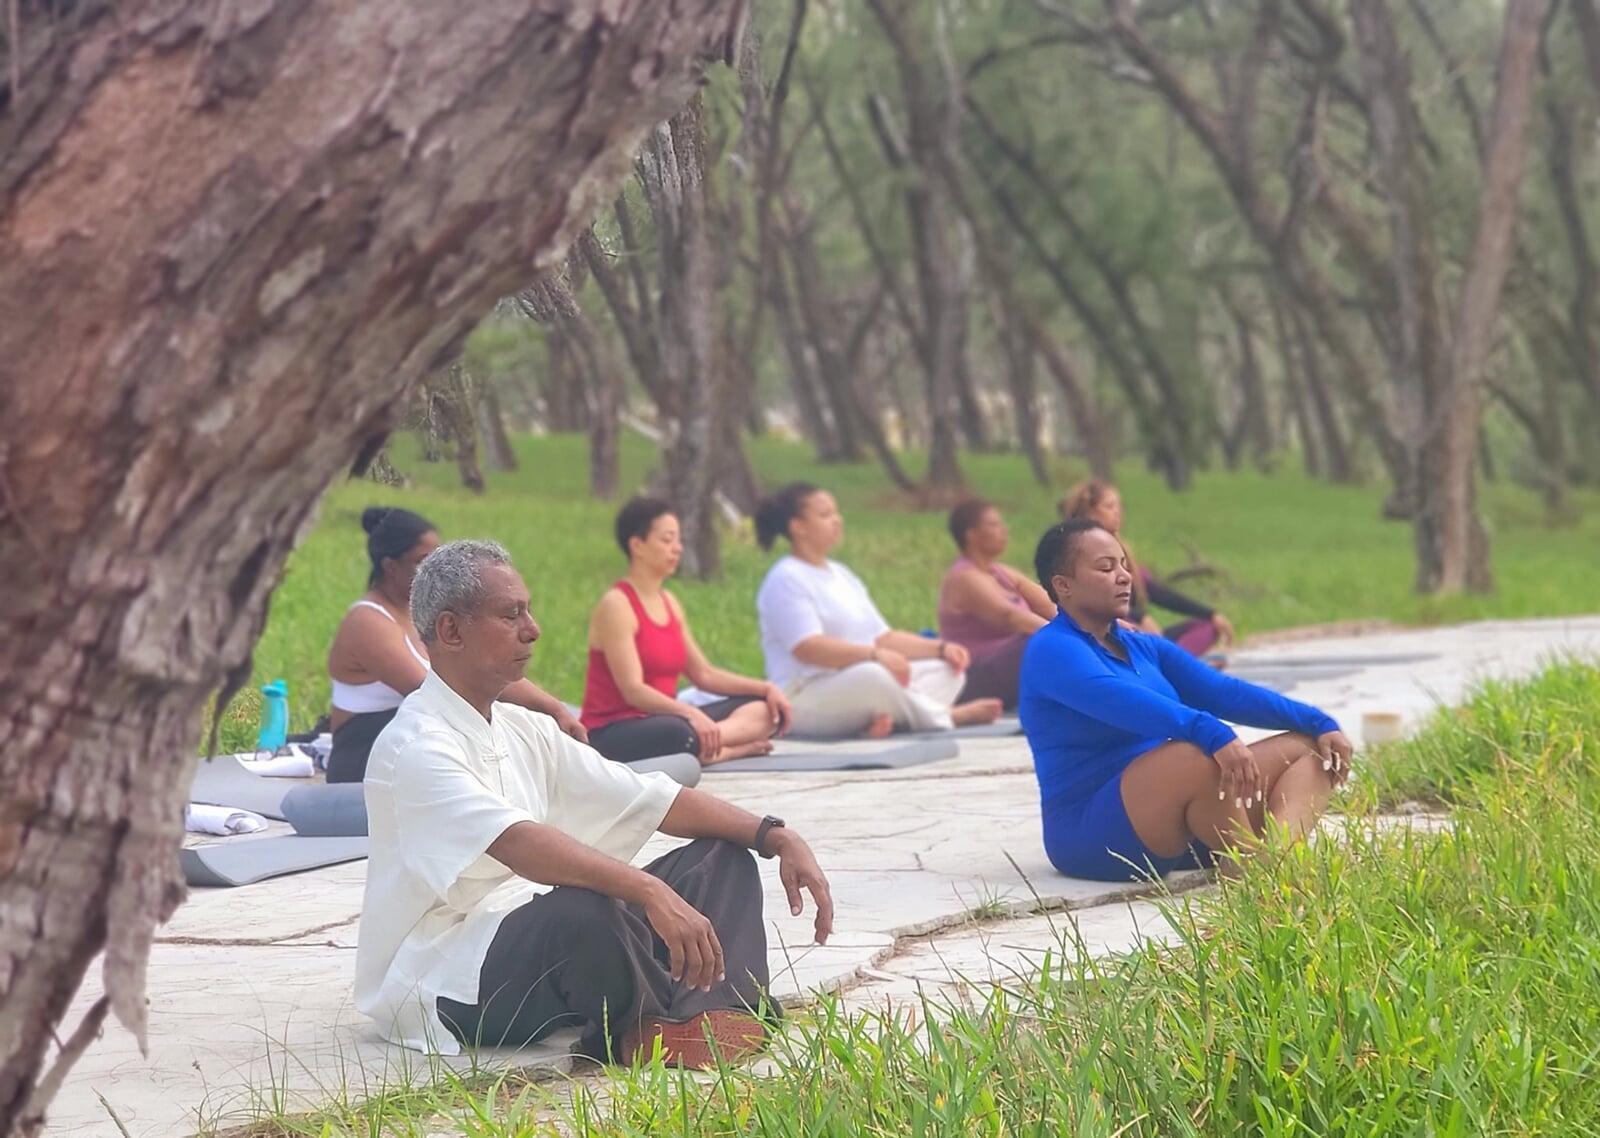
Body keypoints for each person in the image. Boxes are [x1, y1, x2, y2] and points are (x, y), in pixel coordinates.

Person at [354, 540, 834, 1068]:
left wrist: (774, 835)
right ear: (450, 631)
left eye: (527, 611)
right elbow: (524, 846)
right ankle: (649, 1027)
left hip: (535, 928)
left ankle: (711, 1013)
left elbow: (652, 797)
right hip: (447, 972)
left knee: (720, 858)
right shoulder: (415, 747)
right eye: (511, 614)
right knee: (586, 907)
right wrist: (649, 891)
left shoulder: (522, 728)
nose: (533, 628)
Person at [1019, 520, 1352, 882]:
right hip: (1095, 833)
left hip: (1179, 817)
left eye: (1124, 564)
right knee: (1193, 753)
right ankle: (1248, 863)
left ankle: (1277, 861)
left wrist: (1319, 722)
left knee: (1311, 748)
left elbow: (1224, 692)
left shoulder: (1141, 644)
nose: (1124, 576)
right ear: (1063, 585)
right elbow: (1123, 702)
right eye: (1105, 567)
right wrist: (1212, 733)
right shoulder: (1052, 649)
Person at [324, 507, 586, 783]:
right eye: (422, 561)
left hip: (429, 747)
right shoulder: (367, 622)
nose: (432, 570)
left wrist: (554, 709)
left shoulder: (421, 614)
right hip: (368, 759)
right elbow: (441, 689)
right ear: (391, 566)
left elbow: (485, 666)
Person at [753, 483, 1003, 739]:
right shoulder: (786, 578)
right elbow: (807, 647)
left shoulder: (841, 574)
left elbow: (883, 637)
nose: (837, 521)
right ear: (798, 527)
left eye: (836, 513)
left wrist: (941, 649)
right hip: (805, 695)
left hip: (859, 686)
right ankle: (946, 716)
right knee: (875, 675)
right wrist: (873, 655)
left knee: (947, 670)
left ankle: (888, 722)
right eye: (825, 515)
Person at [582, 497, 791, 765]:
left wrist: (766, 688)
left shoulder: (669, 602)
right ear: (638, 546)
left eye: (678, 540)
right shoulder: (617, 605)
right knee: (681, 733)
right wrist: (690, 713)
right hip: (616, 729)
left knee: (765, 710)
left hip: (666, 719)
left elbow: (704, 674)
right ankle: (726, 749)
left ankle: (705, 745)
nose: (677, 549)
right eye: (667, 540)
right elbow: (633, 690)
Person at [1059, 480, 1235, 658]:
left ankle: (1175, 663)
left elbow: (1159, 593)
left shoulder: (1121, 548)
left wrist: (1211, 614)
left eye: (1119, 506)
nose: (1117, 512)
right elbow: (1095, 600)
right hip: (1113, 631)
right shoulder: (1081, 552)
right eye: (1109, 506)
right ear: (1090, 512)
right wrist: (1141, 617)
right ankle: (1172, 666)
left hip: (1140, 631)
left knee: (1207, 625)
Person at [937, 498, 1056, 709]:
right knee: (1039, 644)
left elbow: (1053, 605)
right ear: (971, 535)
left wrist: (1102, 625)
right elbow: (1011, 617)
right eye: (994, 525)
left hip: (1006, 664)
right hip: (976, 674)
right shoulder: (965, 578)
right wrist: (1071, 637)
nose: (1004, 530)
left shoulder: (1001, 573)